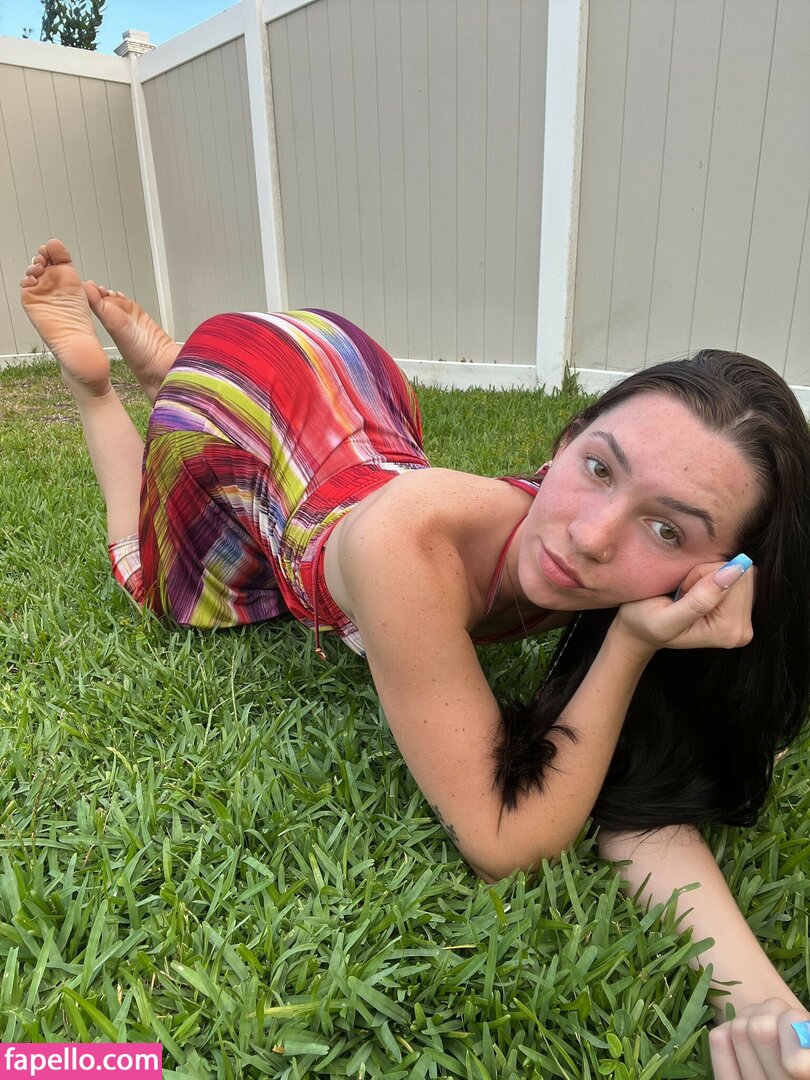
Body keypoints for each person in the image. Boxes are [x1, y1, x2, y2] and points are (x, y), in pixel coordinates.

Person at [20, 239, 810, 1078]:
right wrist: (630, 643)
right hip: (293, 382)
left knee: (279, 458)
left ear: (724, 573)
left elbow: (643, 803)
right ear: (566, 441)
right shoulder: (411, 544)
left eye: (666, 529)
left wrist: (769, 1004)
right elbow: (505, 839)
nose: (589, 536)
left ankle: (176, 368)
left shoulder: (607, 561)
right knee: (146, 571)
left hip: (338, 399)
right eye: (598, 467)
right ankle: (116, 385)